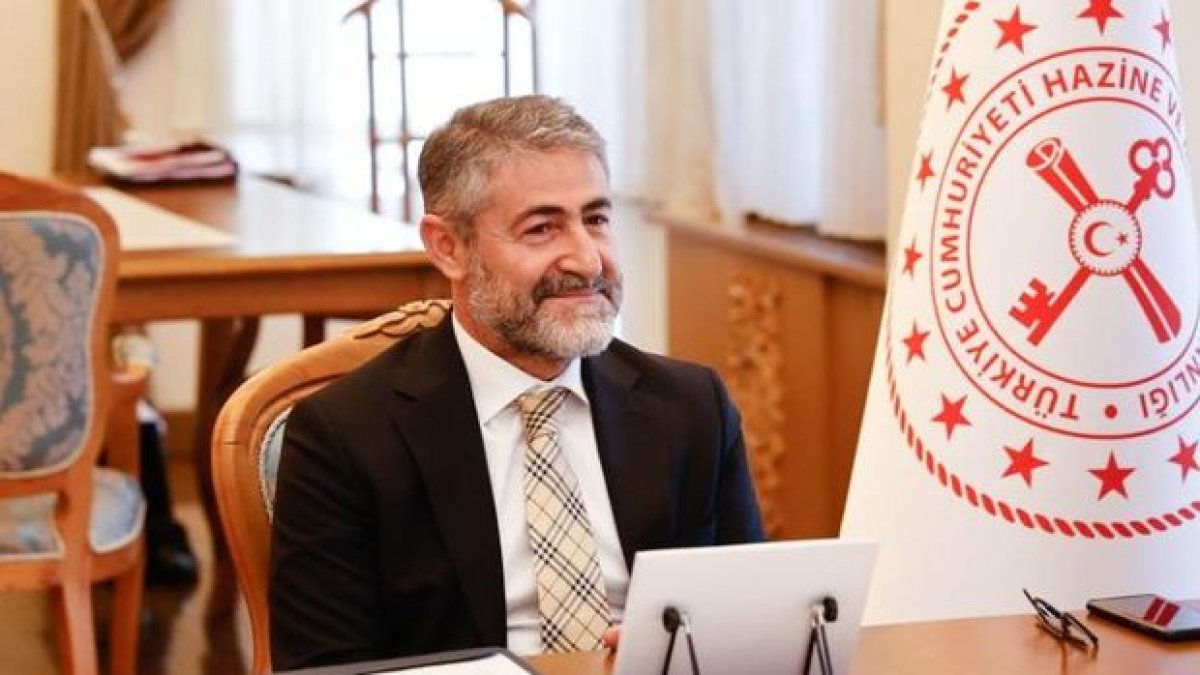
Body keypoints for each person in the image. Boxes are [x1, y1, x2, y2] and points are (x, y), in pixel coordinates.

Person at [269, 95, 763, 670]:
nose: (587, 260)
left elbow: (748, 622)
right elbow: (325, 665)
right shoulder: (345, 433)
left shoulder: (691, 407)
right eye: (542, 228)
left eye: (596, 220)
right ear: (448, 247)